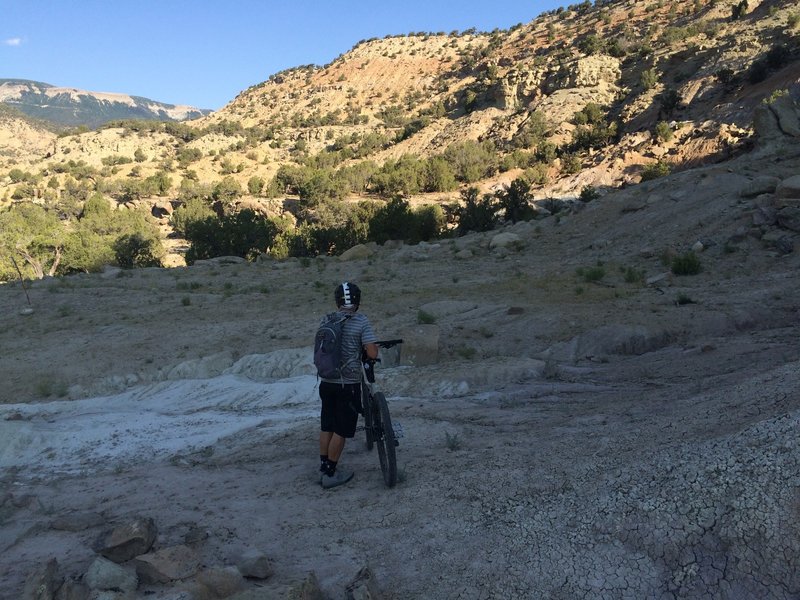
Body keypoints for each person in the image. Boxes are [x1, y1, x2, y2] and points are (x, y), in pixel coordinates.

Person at [318, 282, 378, 489]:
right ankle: (331, 473)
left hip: (326, 381)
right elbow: (371, 353)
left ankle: (323, 466)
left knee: (327, 425)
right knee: (341, 431)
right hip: (348, 384)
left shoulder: (326, 319)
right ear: (358, 301)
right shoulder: (361, 321)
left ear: (338, 301)